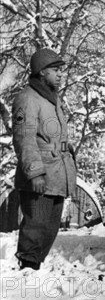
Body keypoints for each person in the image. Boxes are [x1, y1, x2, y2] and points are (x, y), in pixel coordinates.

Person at [12, 48, 78, 271]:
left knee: (49, 228)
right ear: (41, 72)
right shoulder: (27, 98)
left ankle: (34, 270)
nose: (60, 74)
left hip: (57, 173)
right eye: (55, 70)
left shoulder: (52, 99)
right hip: (40, 176)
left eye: (62, 70)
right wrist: (35, 173)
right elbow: (24, 139)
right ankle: (27, 272)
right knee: (35, 226)